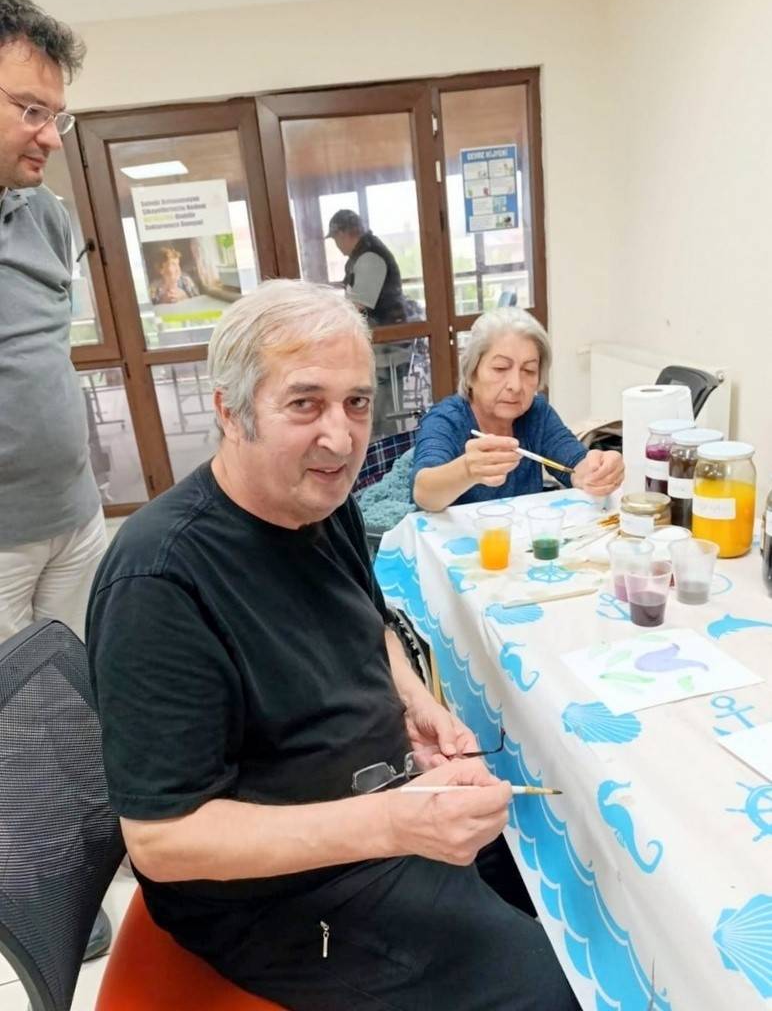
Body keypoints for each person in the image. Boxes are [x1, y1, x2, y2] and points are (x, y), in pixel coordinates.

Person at [87, 279, 579, 1011]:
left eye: (355, 403)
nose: (341, 438)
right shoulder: (161, 580)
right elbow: (162, 842)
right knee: (557, 990)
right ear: (229, 411)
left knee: (570, 872)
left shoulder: (322, 503)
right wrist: (394, 822)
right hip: (281, 892)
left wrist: (413, 704)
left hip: (378, 802)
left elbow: (370, 621)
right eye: (304, 404)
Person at [0, 0, 106, 644]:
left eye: (56, 116)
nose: (50, 137)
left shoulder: (46, 215)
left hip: (77, 513)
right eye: (30, 110)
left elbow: (44, 353)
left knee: (86, 672)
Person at [411, 307, 624, 510]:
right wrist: (467, 470)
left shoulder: (536, 413)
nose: (516, 385)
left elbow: (575, 462)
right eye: (500, 368)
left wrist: (598, 471)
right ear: (472, 372)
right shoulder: (446, 419)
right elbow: (423, 493)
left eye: (529, 370)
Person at [326, 208, 416, 325]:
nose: (336, 245)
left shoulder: (370, 257)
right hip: (383, 325)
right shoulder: (364, 253)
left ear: (341, 234)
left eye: (335, 239)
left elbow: (357, 307)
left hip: (387, 329)